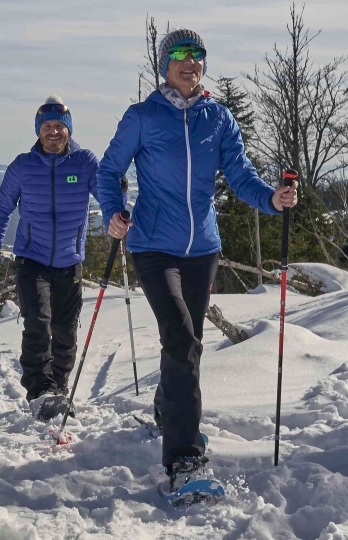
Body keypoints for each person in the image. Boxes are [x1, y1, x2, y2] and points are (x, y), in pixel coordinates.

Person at [98, 29, 297, 500]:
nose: (191, 62)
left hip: (202, 248)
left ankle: (170, 410)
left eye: (198, 55)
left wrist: (271, 197)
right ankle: (184, 459)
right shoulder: (142, 117)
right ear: (164, 64)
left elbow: (241, 174)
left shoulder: (218, 118)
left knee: (189, 342)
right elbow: (109, 171)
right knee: (182, 339)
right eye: (181, 55)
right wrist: (112, 212)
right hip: (153, 246)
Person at [0, 97, 100, 421]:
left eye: (59, 126)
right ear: (38, 131)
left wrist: (117, 194)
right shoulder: (22, 166)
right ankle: (40, 390)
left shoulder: (85, 162)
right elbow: (3, 206)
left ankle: (57, 390)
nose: (53, 131)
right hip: (31, 259)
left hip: (69, 260)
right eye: (46, 126)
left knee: (65, 331)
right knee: (38, 322)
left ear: (68, 129)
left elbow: (106, 192)